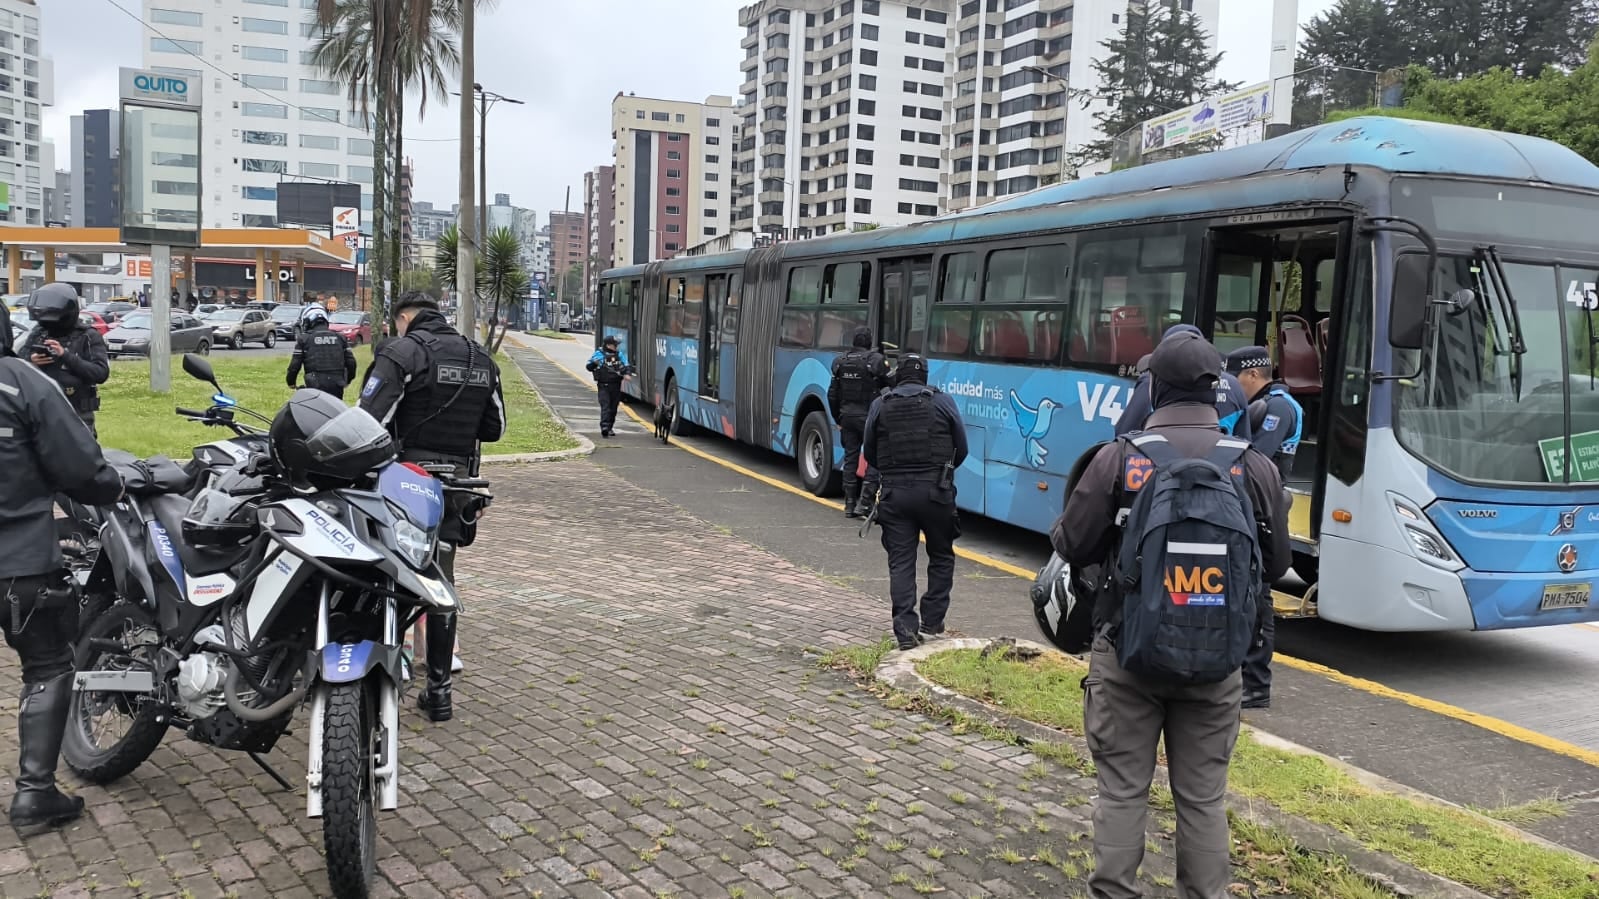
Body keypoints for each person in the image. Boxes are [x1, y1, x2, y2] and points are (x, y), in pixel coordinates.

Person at [1052, 330, 1290, 899]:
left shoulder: (1119, 459)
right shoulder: (1253, 466)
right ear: (1217, 390)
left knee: (1122, 793)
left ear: (1154, 387)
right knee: (1204, 799)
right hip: (1217, 662)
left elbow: (1072, 544)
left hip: (1126, 654)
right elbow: (1278, 564)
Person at [0, 301, 126, 830]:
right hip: (18, 562)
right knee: (48, 665)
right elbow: (82, 470)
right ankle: (34, 794)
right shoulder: (22, 383)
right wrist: (119, 486)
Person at [358, 292, 506, 722]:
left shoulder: (402, 353)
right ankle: (439, 692)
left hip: (401, 482)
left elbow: (367, 421)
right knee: (440, 582)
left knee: (386, 575)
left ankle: (386, 677)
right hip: (455, 486)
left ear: (405, 318)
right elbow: (494, 428)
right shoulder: (481, 358)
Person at [862, 354, 968, 651]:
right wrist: (940, 472)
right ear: (924, 376)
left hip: (895, 495)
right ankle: (932, 621)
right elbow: (962, 448)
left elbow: (870, 453)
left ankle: (906, 632)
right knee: (941, 555)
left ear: (898, 375)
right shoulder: (942, 402)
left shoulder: (880, 405)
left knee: (901, 562)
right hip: (936, 492)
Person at [1226, 345, 1304, 710]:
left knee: (1258, 598)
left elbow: (1254, 456)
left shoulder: (1278, 407)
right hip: (1254, 504)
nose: (1233, 386)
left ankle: (1256, 685)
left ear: (1253, 375)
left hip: (1264, 508)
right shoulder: (1263, 405)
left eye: (1236, 378)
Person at [1115, 324, 1252, 441]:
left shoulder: (1152, 381)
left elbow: (1125, 432)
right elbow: (1244, 441)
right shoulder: (1234, 385)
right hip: (1222, 461)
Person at [23, 283, 111, 437]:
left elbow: (100, 373)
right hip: (41, 409)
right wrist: (31, 360)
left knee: (79, 450)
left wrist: (65, 355)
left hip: (76, 410)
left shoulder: (87, 335)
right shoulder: (39, 333)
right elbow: (16, 363)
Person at [828, 327, 891, 518]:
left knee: (850, 458)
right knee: (874, 458)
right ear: (870, 342)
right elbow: (891, 384)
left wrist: (837, 418)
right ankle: (864, 502)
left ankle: (849, 504)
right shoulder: (876, 360)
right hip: (869, 418)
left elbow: (832, 394)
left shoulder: (840, 362)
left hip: (846, 417)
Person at [287, 306, 358, 399]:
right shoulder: (340, 337)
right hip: (337, 384)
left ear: (308, 322)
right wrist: (348, 380)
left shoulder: (304, 339)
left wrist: (291, 382)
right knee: (335, 407)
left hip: (314, 384)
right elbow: (351, 363)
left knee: (316, 407)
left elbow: (295, 365)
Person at [585, 335, 633, 438]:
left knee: (613, 408)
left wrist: (627, 374)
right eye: (615, 345)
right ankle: (605, 427)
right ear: (608, 345)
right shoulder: (599, 354)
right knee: (605, 407)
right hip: (604, 386)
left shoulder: (619, 355)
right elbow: (588, 367)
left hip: (616, 385)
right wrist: (594, 363)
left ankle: (610, 427)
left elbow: (626, 365)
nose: (616, 347)